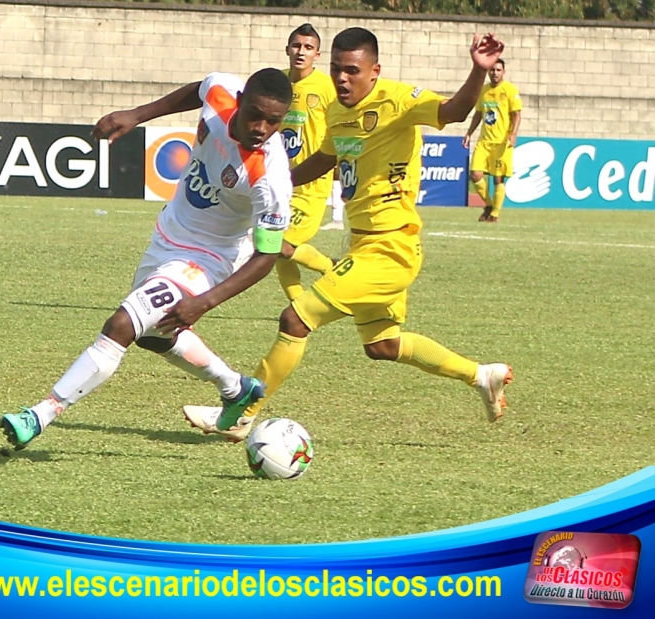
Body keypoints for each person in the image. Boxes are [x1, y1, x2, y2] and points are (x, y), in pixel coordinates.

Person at [182, 27, 514, 442]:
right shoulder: (338, 112)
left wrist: (477, 71)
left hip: (390, 246)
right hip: (364, 242)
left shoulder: (398, 101)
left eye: (352, 71)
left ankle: (242, 413)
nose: (342, 79)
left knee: (296, 318)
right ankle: (481, 375)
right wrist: (263, 186)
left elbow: (455, 110)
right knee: (382, 345)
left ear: (374, 72)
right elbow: (323, 160)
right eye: (337, 69)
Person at [0, 68, 293, 450]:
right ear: (241, 101)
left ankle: (40, 413)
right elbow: (197, 91)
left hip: (209, 258)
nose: (261, 127)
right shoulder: (222, 91)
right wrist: (137, 115)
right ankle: (235, 388)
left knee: (122, 324)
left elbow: (267, 256)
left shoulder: (270, 175)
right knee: (154, 337)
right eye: (255, 114)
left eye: (274, 121)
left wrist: (204, 301)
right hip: (168, 236)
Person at [275, 23, 339, 301]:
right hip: (277, 181)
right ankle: (298, 302)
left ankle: (332, 269)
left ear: (318, 54)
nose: (301, 52)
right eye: (297, 46)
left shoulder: (327, 87)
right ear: (287, 49)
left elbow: (342, 125)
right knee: (271, 244)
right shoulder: (275, 82)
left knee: (282, 244)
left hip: (310, 184)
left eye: (308, 48)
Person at [462, 59, 522, 223]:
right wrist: (469, 133)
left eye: (498, 70)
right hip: (484, 141)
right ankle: (488, 205)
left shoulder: (510, 90)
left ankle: (494, 214)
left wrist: (513, 134)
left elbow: (517, 114)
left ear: (503, 72)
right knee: (475, 174)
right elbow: (478, 114)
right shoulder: (484, 90)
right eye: (492, 70)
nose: (494, 73)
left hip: (501, 142)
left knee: (497, 179)